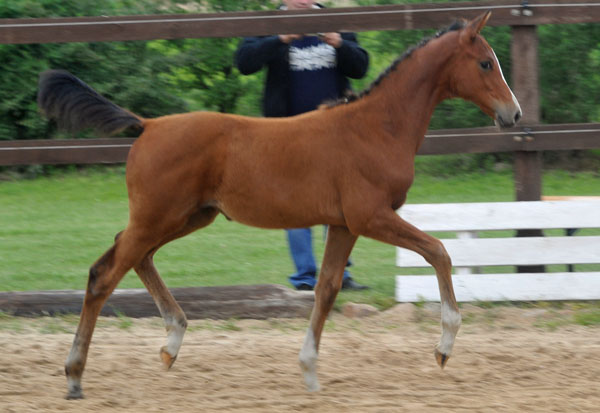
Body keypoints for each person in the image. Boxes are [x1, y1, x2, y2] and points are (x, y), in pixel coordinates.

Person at [235, 0, 369, 291]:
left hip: (336, 135)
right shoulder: (270, 22)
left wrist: (340, 44)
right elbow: (244, 62)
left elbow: (361, 68)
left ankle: (339, 276)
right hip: (287, 134)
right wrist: (281, 38)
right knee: (295, 204)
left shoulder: (334, 20)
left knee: (340, 203)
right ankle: (306, 278)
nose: (302, 1)